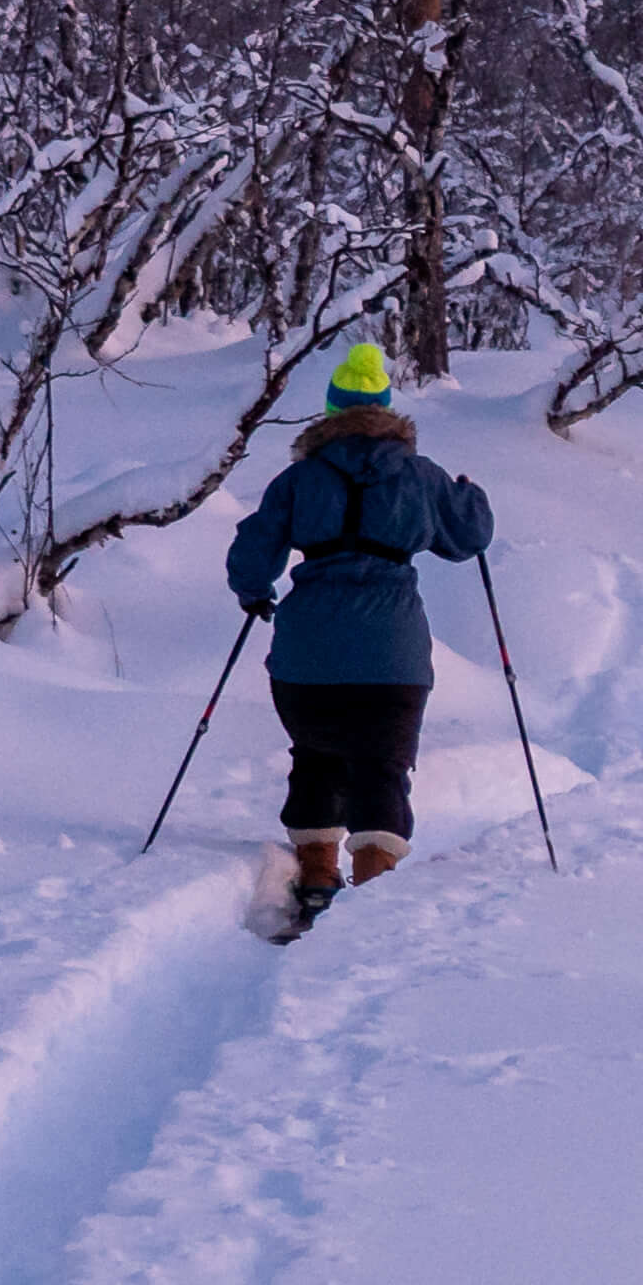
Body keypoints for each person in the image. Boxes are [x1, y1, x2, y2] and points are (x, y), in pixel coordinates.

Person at [223, 344, 496, 932]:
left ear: (331, 411)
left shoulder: (299, 479)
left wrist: (253, 593)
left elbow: (253, 550)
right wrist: (470, 496)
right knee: (382, 768)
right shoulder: (420, 476)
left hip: (306, 656)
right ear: (387, 410)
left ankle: (317, 877)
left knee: (315, 754)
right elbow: (468, 538)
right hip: (391, 659)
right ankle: (373, 895)